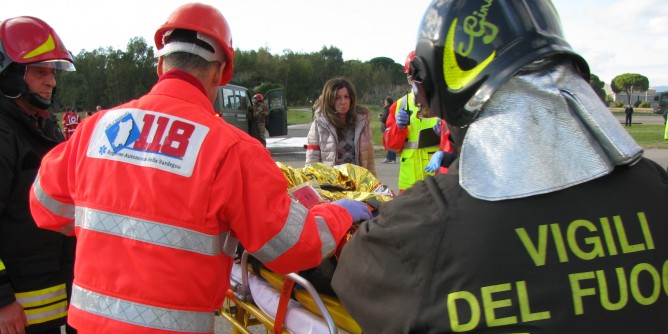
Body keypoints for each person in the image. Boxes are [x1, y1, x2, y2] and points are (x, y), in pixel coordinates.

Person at [28, 3, 371, 334]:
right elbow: (294, 246)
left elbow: (44, 206)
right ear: (221, 72)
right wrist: (341, 212)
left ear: (160, 66)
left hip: (89, 326)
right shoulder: (231, 150)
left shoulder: (96, 128)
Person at [332, 0, 668, 332]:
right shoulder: (657, 187)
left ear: (441, 85)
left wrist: (366, 215)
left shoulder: (431, 223)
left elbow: (352, 280)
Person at [0, 16, 77, 334]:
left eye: (53, 72)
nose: (52, 82)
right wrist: (2, 300)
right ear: (11, 75)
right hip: (17, 309)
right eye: (40, 72)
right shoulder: (4, 133)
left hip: (50, 300)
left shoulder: (41, 125)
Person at [383, 50, 442, 192]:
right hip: (408, 184)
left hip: (437, 182)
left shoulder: (441, 102)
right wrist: (398, 128)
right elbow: (391, 146)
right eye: (411, 77)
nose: (415, 82)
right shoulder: (399, 105)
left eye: (419, 76)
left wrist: (445, 133)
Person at [305, 77, 376, 175]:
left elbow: (370, 160)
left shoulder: (362, 122)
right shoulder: (319, 125)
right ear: (330, 99)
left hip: (358, 183)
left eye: (346, 97)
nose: (343, 102)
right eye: (337, 98)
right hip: (332, 186)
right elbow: (311, 162)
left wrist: (374, 185)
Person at [378, 97, 396, 163]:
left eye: (385, 101)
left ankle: (389, 158)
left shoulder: (388, 109)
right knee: (392, 143)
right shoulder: (392, 108)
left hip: (388, 128)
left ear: (387, 102)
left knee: (389, 143)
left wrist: (380, 117)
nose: (384, 102)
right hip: (392, 127)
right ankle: (393, 158)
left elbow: (384, 119)